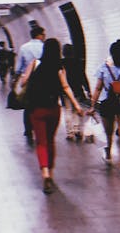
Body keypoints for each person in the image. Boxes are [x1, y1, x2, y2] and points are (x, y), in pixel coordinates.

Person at [16, 37, 84, 193]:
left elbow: (23, 82)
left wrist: (27, 77)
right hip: (54, 109)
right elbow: (66, 87)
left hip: (37, 109)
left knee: (41, 143)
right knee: (51, 141)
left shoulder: (35, 63)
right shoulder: (59, 67)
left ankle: (45, 173)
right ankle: (51, 174)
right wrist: (77, 105)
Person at [89, 39, 120, 174]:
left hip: (107, 103)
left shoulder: (104, 67)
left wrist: (92, 106)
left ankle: (109, 153)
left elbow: (98, 88)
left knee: (109, 133)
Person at [14, 25, 46, 144]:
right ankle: (40, 128)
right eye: (43, 34)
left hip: (28, 79)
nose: (44, 36)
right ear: (39, 35)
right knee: (41, 104)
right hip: (43, 80)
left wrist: (16, 79)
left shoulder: (24, 47)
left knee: (28, 106)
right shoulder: (45, 47)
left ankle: (28, 130)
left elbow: (19, 66)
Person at [61, 43, 90, 141]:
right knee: (75, 110)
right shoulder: (77, 62)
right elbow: (83, 76)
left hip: (65, 90)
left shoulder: (61, 63)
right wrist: (87, 89)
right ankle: (77, 129)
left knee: (67, 110)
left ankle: (70, 133)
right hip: (76, 89)